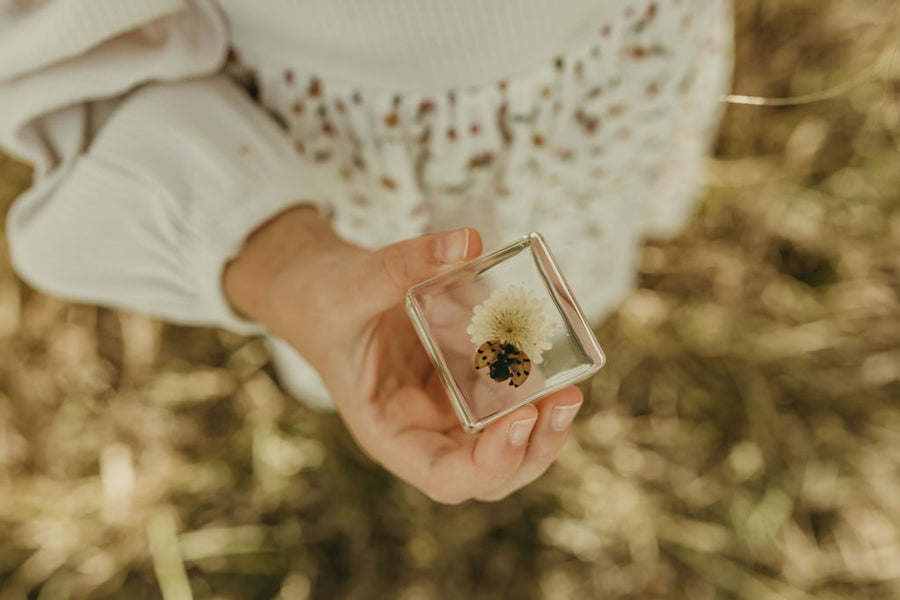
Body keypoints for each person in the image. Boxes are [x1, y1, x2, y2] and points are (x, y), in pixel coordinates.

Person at [0, 0, 733, 503]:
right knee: (421, 304)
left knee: (559, 287)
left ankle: (584, 295)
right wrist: (288, 266)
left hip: (617, 65)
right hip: (345, 159)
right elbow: (56, 57)